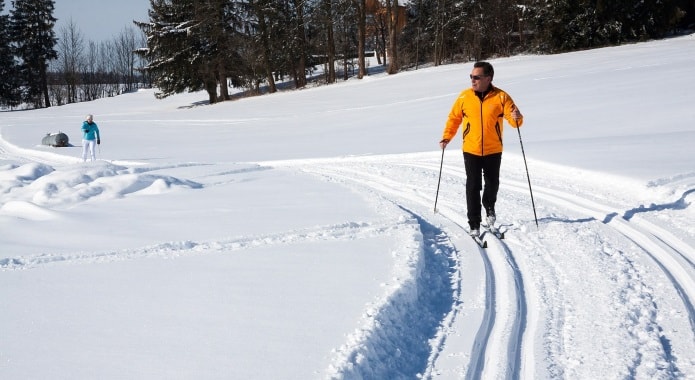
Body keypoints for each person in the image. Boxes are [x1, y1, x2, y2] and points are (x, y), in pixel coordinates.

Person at [439, 61, 523, 237]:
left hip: (494, 149)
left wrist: (517, 116)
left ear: (488, 78)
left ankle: (489, 206)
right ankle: (474, 223)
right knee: (473, 185)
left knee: (492, 184)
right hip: (471, 149)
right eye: (471, 76)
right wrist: (447, 137)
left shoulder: (501, 97)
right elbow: (454, 119)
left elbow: (513, 119)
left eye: (476, 77)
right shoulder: (464, 97)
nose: (472, 80)